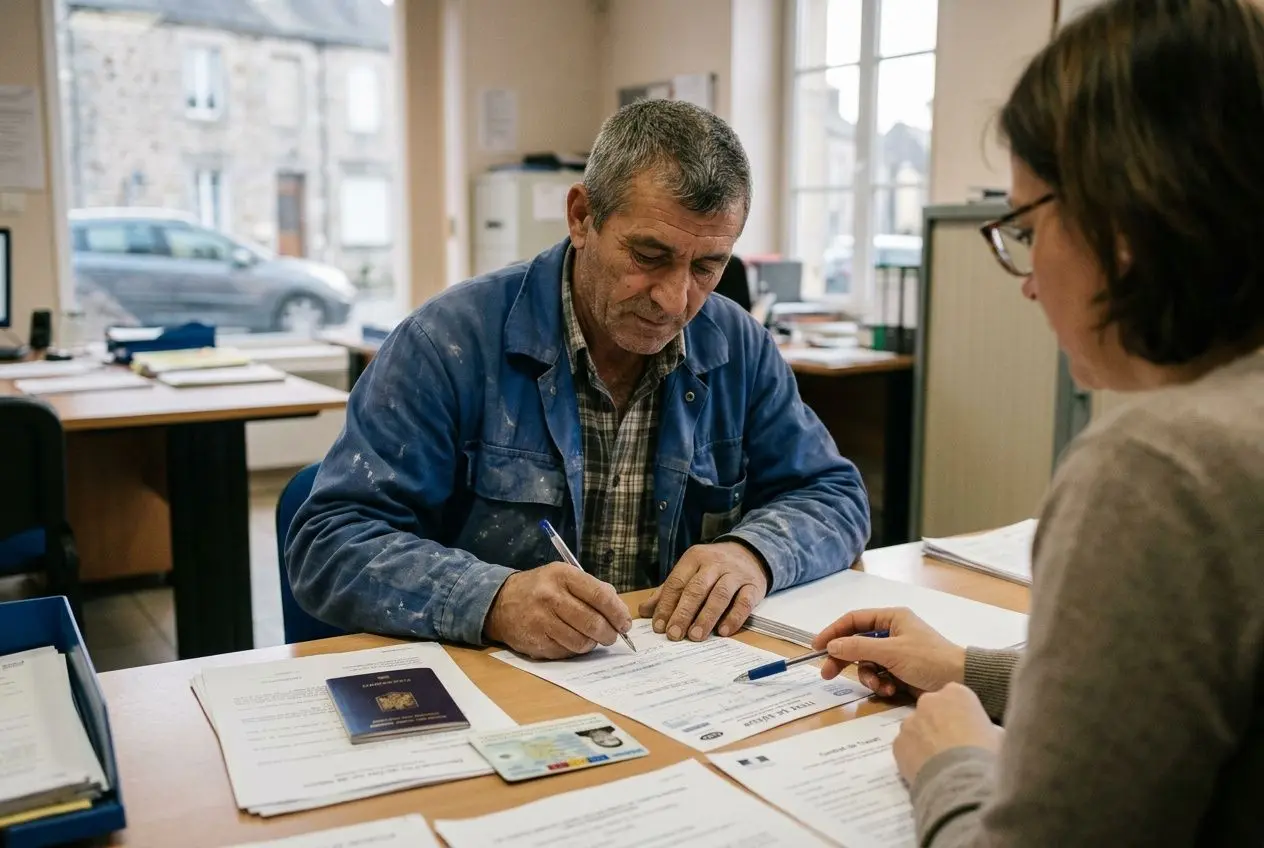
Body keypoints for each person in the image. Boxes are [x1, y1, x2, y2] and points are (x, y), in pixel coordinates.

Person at [813, 0, 1264, 843]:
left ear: (1119, 218)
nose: (1024, 281)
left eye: (1023, 227)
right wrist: (968, 671)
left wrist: (952, 763)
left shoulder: (1160, 468)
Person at [287, 99, 870, 660]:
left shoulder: (738, 346)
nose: (675, 300)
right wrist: (492, 599)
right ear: (581, 217)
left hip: (672, 677)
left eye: (706, 267)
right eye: (649, 256)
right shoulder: (448, 342)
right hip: (497, 686)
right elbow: (330, 542)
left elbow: (833, 495)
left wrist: (752, 553)